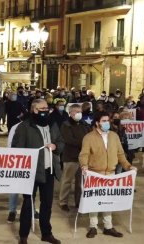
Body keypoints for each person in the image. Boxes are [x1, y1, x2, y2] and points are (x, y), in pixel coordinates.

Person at [13, 99, 64, 244]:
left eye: (47, 108)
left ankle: (46, 233)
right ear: (34, 110)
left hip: (49, 170)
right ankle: (23, 235)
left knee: (47, 204)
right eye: (42, 108)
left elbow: (61, 141)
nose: (46, 110)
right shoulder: (25, 126)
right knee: (28, 204)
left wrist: (56, 146)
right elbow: (17, 149)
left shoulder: (51, 124)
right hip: (31, 171)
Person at [79, 111, 136, 239]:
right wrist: (84, 165)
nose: (107, 123)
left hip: (110, 173)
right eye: (104, 121)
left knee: (108, 201)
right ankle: (93, 226)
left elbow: (120, 154)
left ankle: (108, 227)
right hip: (95, 174)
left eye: (108, 121)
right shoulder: (89, 137)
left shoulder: (114, 136)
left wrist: (128, 166)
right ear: (97, 123)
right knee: (94, 201)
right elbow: (84, 154)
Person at [58, 104, 90, 211]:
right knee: (67, 181)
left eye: (79, 111)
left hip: (83, 158)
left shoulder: (84, 123)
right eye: (76, 111)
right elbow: (69, 140)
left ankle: (78, 202)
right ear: (70, 113)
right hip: (70, 157)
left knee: (80, 182)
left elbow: (89, 135)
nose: (78, 113)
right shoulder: (66, 125)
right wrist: (85, 144)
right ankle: (63, 202)